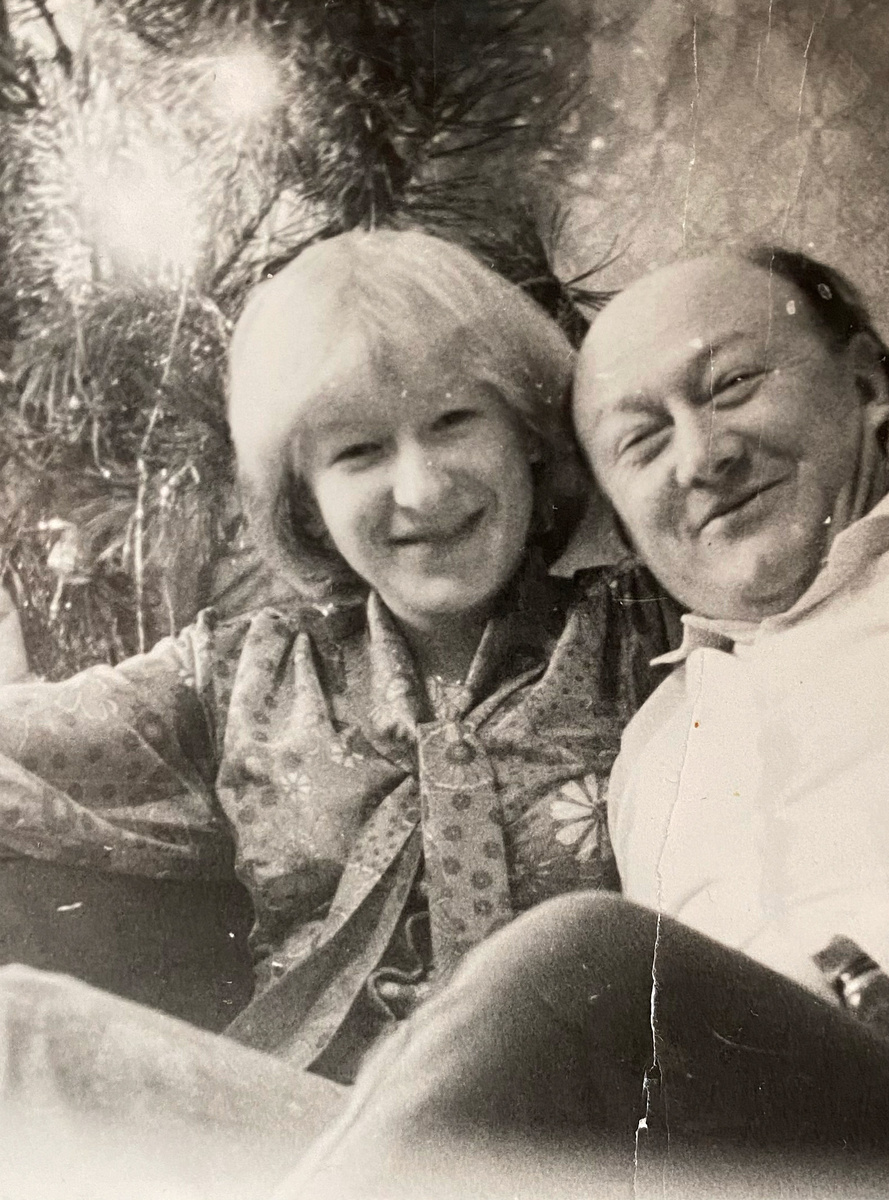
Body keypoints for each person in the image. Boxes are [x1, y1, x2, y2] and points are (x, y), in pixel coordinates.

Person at [278, 246, 889, 1199]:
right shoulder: (654, 743)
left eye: (731, 386)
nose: (702, 457)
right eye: (642, 443)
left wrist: (882, 980)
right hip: (751, 1169)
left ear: (866, 383)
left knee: (576, 965)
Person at [0, 228, 679, 1185]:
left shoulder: (652, 629)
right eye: (359, 451)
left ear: (529, 435)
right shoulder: (239, 675)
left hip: (579, 1157)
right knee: (21, 1033)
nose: (422, 487)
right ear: (304, 498)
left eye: (453, 420)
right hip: (306, 1147)